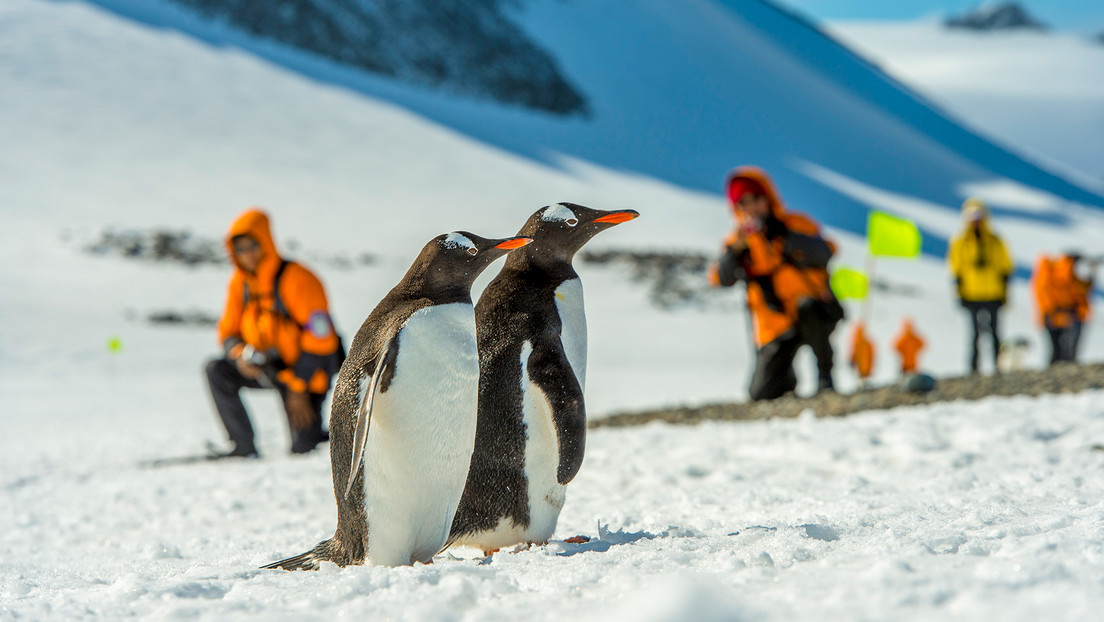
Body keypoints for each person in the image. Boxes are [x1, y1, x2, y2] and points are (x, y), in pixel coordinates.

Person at [205, 208, 343, 457]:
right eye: (240, 249)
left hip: (305, 373)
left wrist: (299, 387)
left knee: (305, 448)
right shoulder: (240, 283)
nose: (246, 254)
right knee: (217, 370)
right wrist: (240, 356)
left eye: (251, 245)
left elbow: (322, 339)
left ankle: (336, 434)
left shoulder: (298, 279)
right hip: (269, 368)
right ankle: (242, 446)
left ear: (265, 242)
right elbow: (227, 331)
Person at [709, 166, 843, 400]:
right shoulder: (738, 240)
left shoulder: (796, 224)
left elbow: (826, 252)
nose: (752, 207)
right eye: (743, 202)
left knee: (808, 310)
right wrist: (734, 251)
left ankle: (825, 379)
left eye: (756, 198)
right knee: (761, 393)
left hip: (813, 311)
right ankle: (787, 380)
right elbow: (721, 279)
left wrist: (785, 236)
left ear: (768, 197)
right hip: (775, 325)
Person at [947, 198, 1012, 374]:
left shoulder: (995, 241)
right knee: (974, 334)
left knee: (995, 333)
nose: (976, 220)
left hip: (993, 293)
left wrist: (1005, 293)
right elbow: (956, 269)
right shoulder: (960, 241)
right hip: (971, 294)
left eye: (979, 216)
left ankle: (998, 367)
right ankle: (973, 369)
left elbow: (1005, 267)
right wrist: (959, 294)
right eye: (972, 217)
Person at [1032, 252, 1093, 365]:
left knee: (1056, 349)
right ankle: (1064, 371)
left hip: (1053, 315)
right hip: (1063, 315)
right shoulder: (1066, 273)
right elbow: (1079, 294)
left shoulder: (1054, 271)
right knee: (1065, 351)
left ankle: (1054, 373)